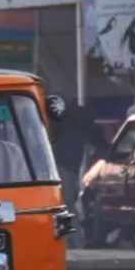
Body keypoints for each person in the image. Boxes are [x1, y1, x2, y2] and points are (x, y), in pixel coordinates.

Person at [51, 99, 108, 246]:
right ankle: (74, 242)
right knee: (66, 206)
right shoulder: (76, 120)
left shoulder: (62, 119)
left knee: (64, 206)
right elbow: (98, 140)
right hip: (65, 167)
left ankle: (70, 241)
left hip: (62, 166)